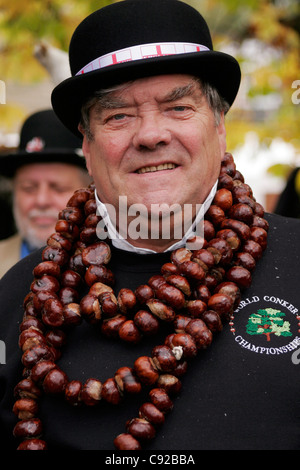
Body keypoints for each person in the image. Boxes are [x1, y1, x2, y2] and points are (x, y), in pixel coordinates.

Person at [0, 0, 299, 452]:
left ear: (219, 127)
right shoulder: (22, 297)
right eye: (118, 115)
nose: (150, 134)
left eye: (178, 107)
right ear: (87, 142)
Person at [0, 109, 91, 277]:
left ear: (89, 193)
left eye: (58, 188)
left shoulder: (111, 265)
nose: (41, 201)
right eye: (28, 188)